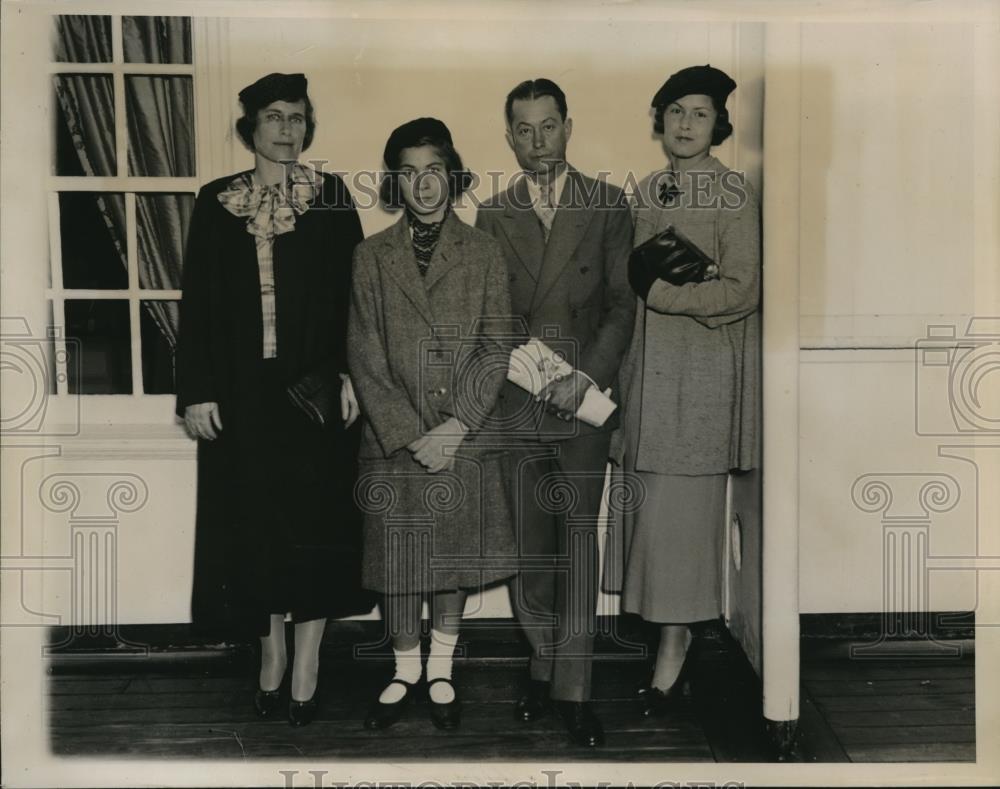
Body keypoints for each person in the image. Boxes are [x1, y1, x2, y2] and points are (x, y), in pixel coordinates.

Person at [175, 73, 374, 727]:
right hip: (241, 396)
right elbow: (198, 306)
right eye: (273, 117)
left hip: (310, 393)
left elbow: (355, 302)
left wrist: (349, 376)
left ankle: (310, 664)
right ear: (250, 129)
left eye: (296, 117)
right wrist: (197, 390)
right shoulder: (216, 202)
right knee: (253, 531)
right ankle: (272, 656)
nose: (286, 128)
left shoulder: (333, 198)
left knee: (312, 530)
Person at [475, 79, 635, 748]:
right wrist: (539, 377)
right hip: (519, 401)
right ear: (509, 135)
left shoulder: (607, 204)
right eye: (523, 129)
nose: (537, 140)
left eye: (548, 126)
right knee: (532, 550)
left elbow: (623, 306)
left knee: (575, 542)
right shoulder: (492, 213)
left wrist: (582, 381)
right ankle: (543, 663)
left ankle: (573, 687)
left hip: (581, 406)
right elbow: (493, 318)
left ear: (569, 126)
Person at [348, 117, 516, 732]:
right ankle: (404, 669)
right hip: (395, 442)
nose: (424, 185)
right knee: (400, 561)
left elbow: (496, 348)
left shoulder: (484, 252)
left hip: (460, 437)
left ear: (452, 175)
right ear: (396, 181)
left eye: (434, 171)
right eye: (409, 172)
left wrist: (455, 428)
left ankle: (441, 668)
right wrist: (408, 429)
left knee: (450, 561)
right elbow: (364, 352)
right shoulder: (370, 256)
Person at [605, 64, 761, 717]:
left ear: (718, 123)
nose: (686, 124)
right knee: (649, 524)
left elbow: (743, 288)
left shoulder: (733, 193)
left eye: (699, 113)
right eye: (675, 112)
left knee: (682, 529)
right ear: (661, 121)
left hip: (698, 387)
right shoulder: (649, 187)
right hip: (648, 381)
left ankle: (672, 665)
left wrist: (667, 295)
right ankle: (665, 651)